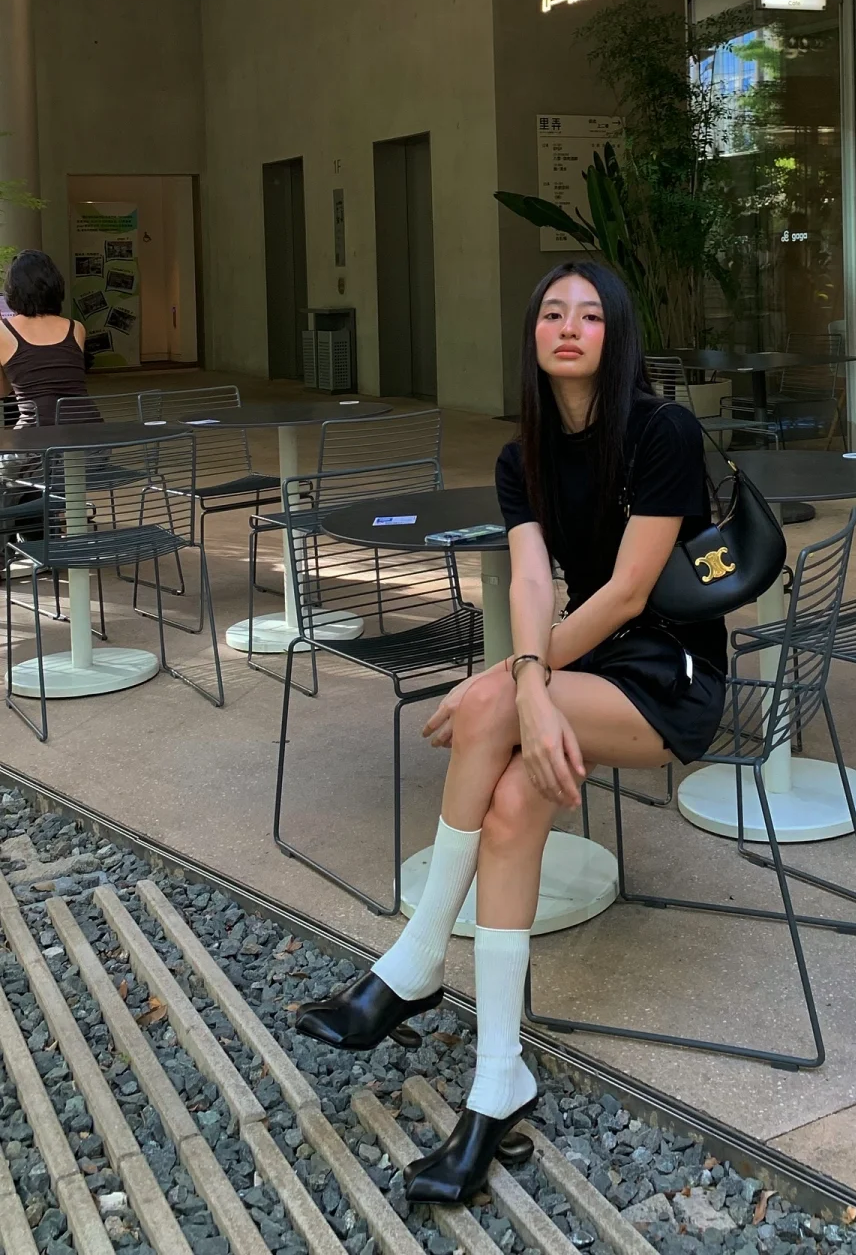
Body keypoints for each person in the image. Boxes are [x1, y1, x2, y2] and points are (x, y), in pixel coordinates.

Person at [294, 260, 728, 1204]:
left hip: (670, 673)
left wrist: (519, 682)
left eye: (589, 315)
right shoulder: (519, 457)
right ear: (532, 334)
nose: (568, 327)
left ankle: (414, 961)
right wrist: (529, 680)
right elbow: (533, 582)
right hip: (585, 667)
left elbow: (628, 592)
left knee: (490, 702)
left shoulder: (663, 431)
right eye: (551, 312)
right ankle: (499, 1080)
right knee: (510, 808)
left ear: (616, 335)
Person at [0, 250, 88, 426]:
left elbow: (2, 391)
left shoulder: (2, 330)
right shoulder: (76, 328)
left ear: (13, 290)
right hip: (88, 431)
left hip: (37, 433)